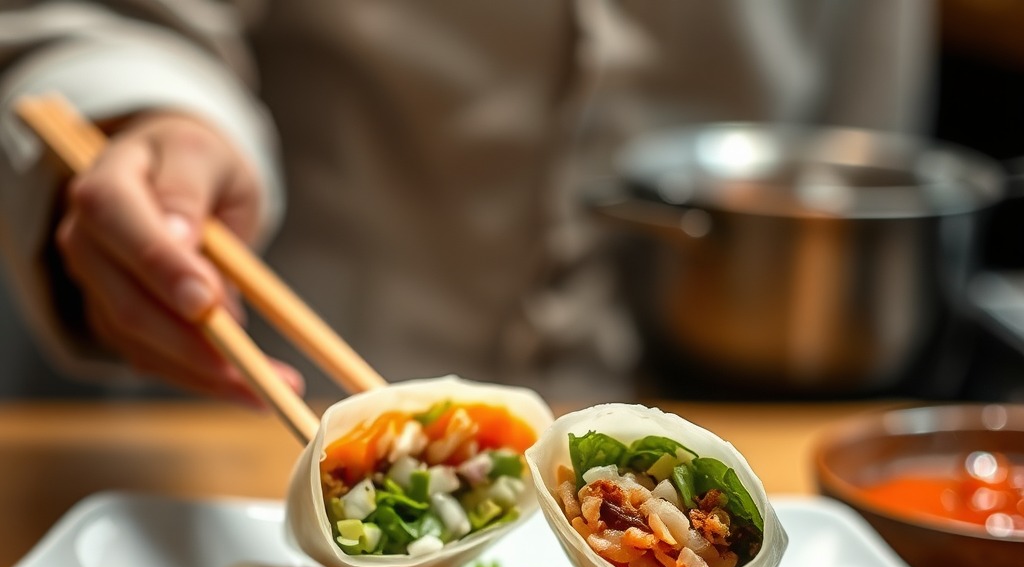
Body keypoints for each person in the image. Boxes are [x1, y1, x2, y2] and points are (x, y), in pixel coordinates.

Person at [0, 1, 936, 405]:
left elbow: (859, 158)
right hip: (254, 419)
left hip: (708, 427)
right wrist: (155, 124)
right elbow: (88, 21)